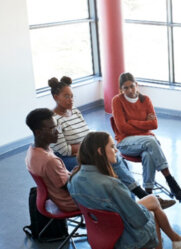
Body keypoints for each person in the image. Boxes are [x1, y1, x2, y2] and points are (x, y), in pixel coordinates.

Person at [68, 132, 181, 249]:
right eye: (112, 147)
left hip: (98, 236)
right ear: (100, 151)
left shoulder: (73, 179)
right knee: (152, 210)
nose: (116, 150)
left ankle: (173, 244)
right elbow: (139, 219)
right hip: (124, 241)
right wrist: (150, 208)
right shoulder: (111, 185)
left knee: (151, 200)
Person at [48, 76, 174, 208]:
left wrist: (89, 146)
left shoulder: (75, 111)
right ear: (56, 97)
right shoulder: (54, 119)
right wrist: (88, 147)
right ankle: (141, 198)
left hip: (87, 152)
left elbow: (88, 134)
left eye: (72, 96)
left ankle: (135, 201)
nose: (71, 100)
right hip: (70, 159)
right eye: (66, 96)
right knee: (112, 161)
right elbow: (64, 150)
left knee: (117, 159)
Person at [112, 72, 181, 202]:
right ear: (121, 90)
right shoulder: (117, 101)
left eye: (132, 86)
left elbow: (154, 124)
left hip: (146, 141)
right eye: (125, 88)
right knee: (151, 141)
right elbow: (122, 128)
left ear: (137, 85)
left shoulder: (145, 100)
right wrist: (144, 124)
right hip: (125, 142)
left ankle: (148, 193)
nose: (130, 90)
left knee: (148, 154)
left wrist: (131, 122)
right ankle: (171, 181)